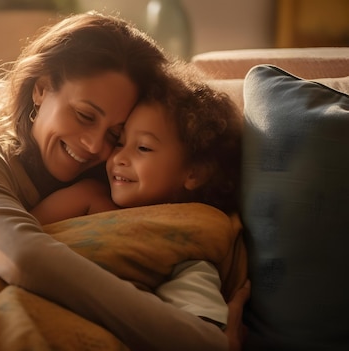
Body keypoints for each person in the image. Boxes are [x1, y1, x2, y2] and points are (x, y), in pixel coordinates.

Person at [0, 12, 247, 350]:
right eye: (84, 115)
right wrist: (200, 341)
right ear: (42, 88)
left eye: (116, 133)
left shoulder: (113, 183)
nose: (96, 145)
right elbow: (27, 260)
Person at [30, 61, 244, 331]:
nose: (119, 157)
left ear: (195, 173)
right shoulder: (87, 196)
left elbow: (199, 330)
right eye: (119, 142)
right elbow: (13, 239)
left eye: (143, 147)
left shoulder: (186, 241)